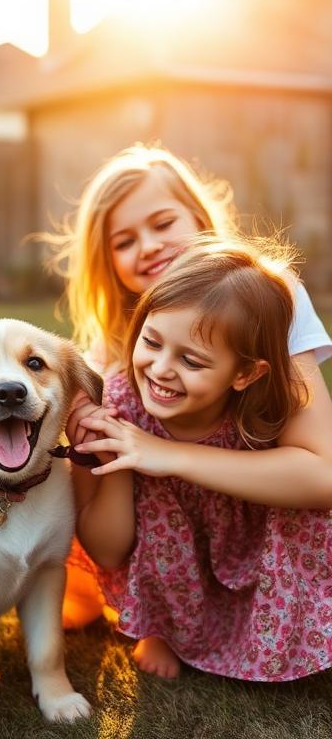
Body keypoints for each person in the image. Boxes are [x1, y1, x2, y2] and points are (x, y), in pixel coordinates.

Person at [43, 145, 332, 634]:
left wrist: (164, 453)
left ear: (200, 218)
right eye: (124, 241)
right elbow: (109, 547)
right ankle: (161, 619)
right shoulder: (107, 365)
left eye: (162, 223)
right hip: (168, 543)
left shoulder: (270, 295)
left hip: (259, 523)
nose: (149, 247)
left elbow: (322, 474)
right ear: (106, 261)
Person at [70, 238, 332, 683]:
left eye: (191, 360)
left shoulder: (263, 410)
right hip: (172, 562)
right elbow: (107, 550)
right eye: (151, 341)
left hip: (249, 552)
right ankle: (161, 628)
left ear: (246, 373)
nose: (160, 369)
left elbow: (322, 483)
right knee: (156, 511)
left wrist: (170, 455)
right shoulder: (117, 403)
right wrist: (122, 454)